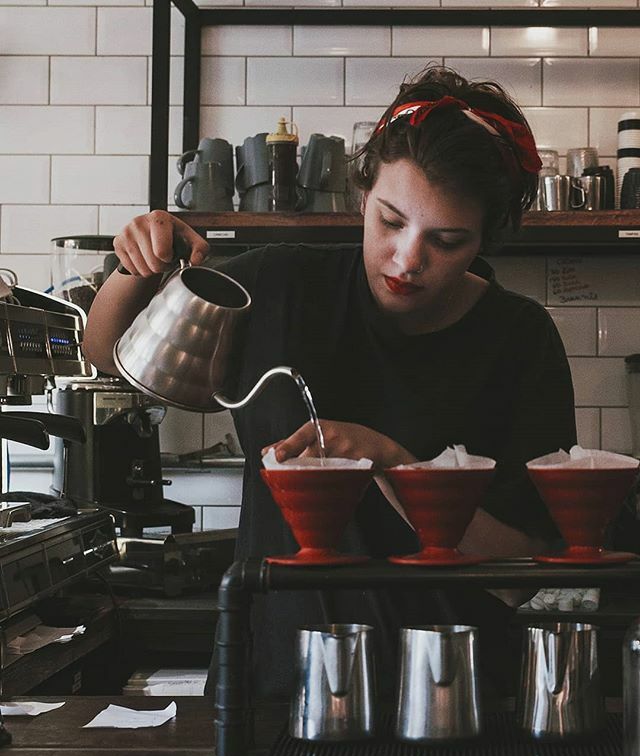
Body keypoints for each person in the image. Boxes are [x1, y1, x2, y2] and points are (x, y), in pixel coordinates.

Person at [83, 65, 577, 700]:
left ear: (488, 236)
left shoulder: (520, 340)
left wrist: (390, 462)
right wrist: (136, 267)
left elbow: (520, 573)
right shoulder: (279, 287)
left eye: (447, 241)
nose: (407, 260)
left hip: (450, 698)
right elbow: (106, 355)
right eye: (390, 221)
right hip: (276, 689)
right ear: (361, 194)